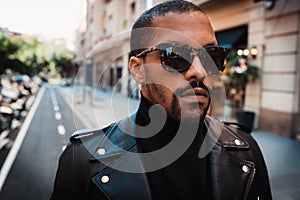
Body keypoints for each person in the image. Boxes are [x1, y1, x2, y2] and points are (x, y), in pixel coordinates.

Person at [51, 1, 272, 199]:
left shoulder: (246, 151)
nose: (200, 71)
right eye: (176, 56)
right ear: (138, 71)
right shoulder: (81, 161)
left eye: (211, 56)